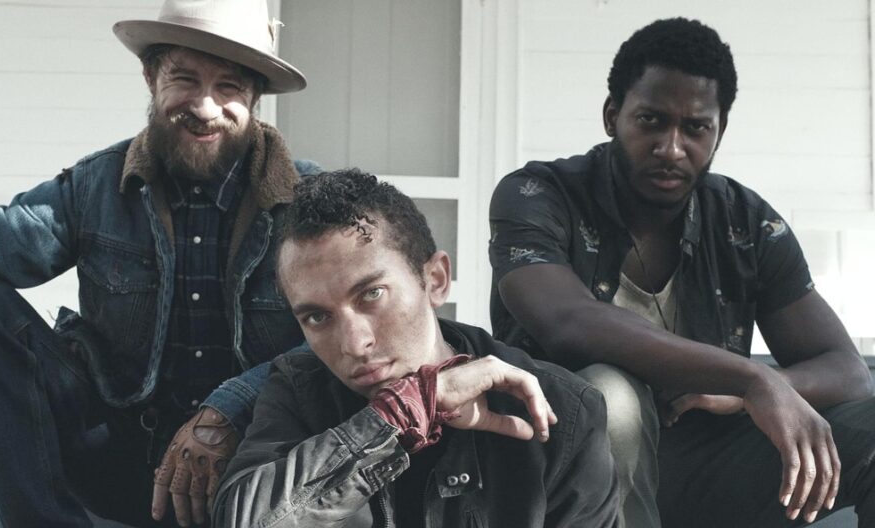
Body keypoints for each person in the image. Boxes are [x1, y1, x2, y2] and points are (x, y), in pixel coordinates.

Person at [0, 0, 319, 526]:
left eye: (228, 87)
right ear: (151, 76)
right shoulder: (94, 186)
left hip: (255, 466)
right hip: (118, 455)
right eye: (184, 78)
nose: (204, 105)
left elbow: (354, 338)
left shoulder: (312, 202)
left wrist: (232, 405)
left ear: (254, 97)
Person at [489, 17, 875, 528]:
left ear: (719, 132)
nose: (672, 147)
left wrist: (755, 389)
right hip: (564, 469)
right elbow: (569, 321)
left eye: (695, 128)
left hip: (701, 467)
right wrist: (745, 377)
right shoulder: (539, 196)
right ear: (612, 115)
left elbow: (848, 371)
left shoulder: (745, 222)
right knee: (612, 394)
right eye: (651, 120)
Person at [214, 169, 620, 527]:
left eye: (372, 294)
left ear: (436, 279)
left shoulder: (564, 412)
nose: (355, 344)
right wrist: (409, 409)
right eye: (318, 318)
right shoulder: (298, 390)